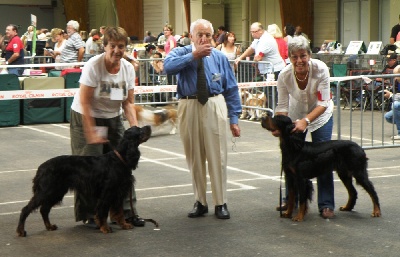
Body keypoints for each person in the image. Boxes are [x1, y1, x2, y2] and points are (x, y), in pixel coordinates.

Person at [164, 19, 241, 219]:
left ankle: (221, 202)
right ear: (191, 36)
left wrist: (234, 118)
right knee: (194, 155)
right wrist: (192, 56)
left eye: (208, 35)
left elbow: (231, 88)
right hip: (188, 104)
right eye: (200, 34)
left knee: (218, 155)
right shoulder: (180, 53)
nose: (204, 38)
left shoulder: (219, 57)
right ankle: (200, 201)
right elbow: (168, 67)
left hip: (215, 103)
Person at [69, 26, 145, 227]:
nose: (117, 51)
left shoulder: (128, 69)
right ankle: (92, 214)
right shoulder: (93, 66)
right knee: (89, 167)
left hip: (113, 116)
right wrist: (91, 131)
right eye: (112, 46)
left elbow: (128, 103)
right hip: (86, 114)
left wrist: (135, 130)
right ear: (104, 46)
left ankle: (126, 213)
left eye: (121, 46)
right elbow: (85, 102)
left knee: (123, 165)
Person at [272, 36, 335, 219]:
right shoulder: (284, 75)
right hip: (295, 116)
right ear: (290, 58)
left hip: (320, 116)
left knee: (323, 159)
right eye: (295, 57)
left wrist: (305, 121)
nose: (299, 61)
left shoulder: (321, 69)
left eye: (303, 55)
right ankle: (290, 200)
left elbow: (323, 102)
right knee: (290, 160)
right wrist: (279, 126)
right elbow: (282, 106)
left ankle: (326, 205)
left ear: (309, 55)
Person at [235, 22, 285, 108]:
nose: (252, 34)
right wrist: (240, 57)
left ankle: (273, 113)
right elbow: (251, 48)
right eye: (251, 32)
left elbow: (258, 57)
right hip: (267, 70)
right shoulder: (258, 39)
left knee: (271, 93)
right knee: (267, 92)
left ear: (261, 31)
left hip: (274, 70)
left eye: (254, 32)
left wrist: (254, 62)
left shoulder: (266, 40)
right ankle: (271, 113)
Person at [384, 65, 400, 139]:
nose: (395, 78)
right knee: (388, 116)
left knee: (395, 105)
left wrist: (391, 95)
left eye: (396, 75)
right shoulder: (396, 83)